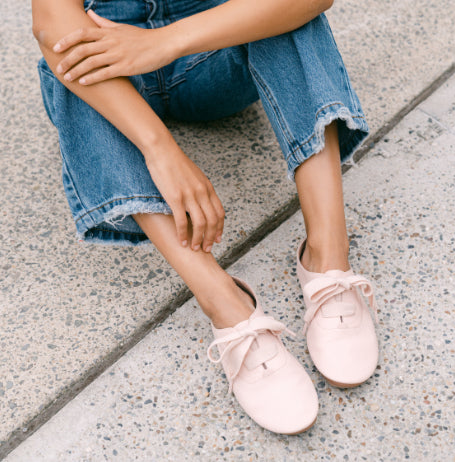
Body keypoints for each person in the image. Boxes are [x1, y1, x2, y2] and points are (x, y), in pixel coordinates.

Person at [32, 0, 379, 435]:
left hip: (211, 52)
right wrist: (159, 148)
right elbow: (51, 22)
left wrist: (163, 42)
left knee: (293, 15)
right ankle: (226, 304)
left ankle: (327, 258)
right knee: (69, 57)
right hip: (115, 68)